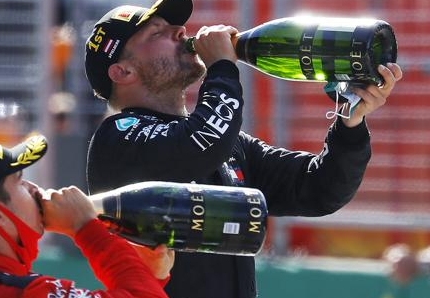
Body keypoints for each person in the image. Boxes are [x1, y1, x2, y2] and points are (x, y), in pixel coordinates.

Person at [83, 0, 403, 297]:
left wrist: (350, 121)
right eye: (157, 33)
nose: (181, 31)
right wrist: (222, 66)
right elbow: (200, 143)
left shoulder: (227, 143)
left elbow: (321, 189)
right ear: (123, 71)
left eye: (175, 26)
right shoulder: (118, 137)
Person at [0, 133, 173, 298]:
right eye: (20, 181)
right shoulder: (23, 292)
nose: (35, 189)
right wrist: (86, 229)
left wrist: (145, 279)